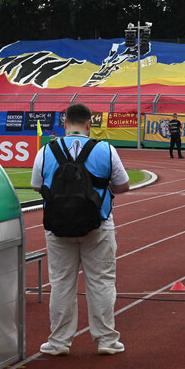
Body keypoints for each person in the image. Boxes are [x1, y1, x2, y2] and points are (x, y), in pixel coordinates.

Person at [30, 103, 131, 355]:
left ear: (64, 123)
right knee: (101, 282)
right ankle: (106, 340)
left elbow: (36, 186)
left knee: (62, 283)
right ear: (89, 124)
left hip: (58, 227)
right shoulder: (105, 149)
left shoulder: (46, 150)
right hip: (98, 225)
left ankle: (59, 342)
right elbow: (122, 186)